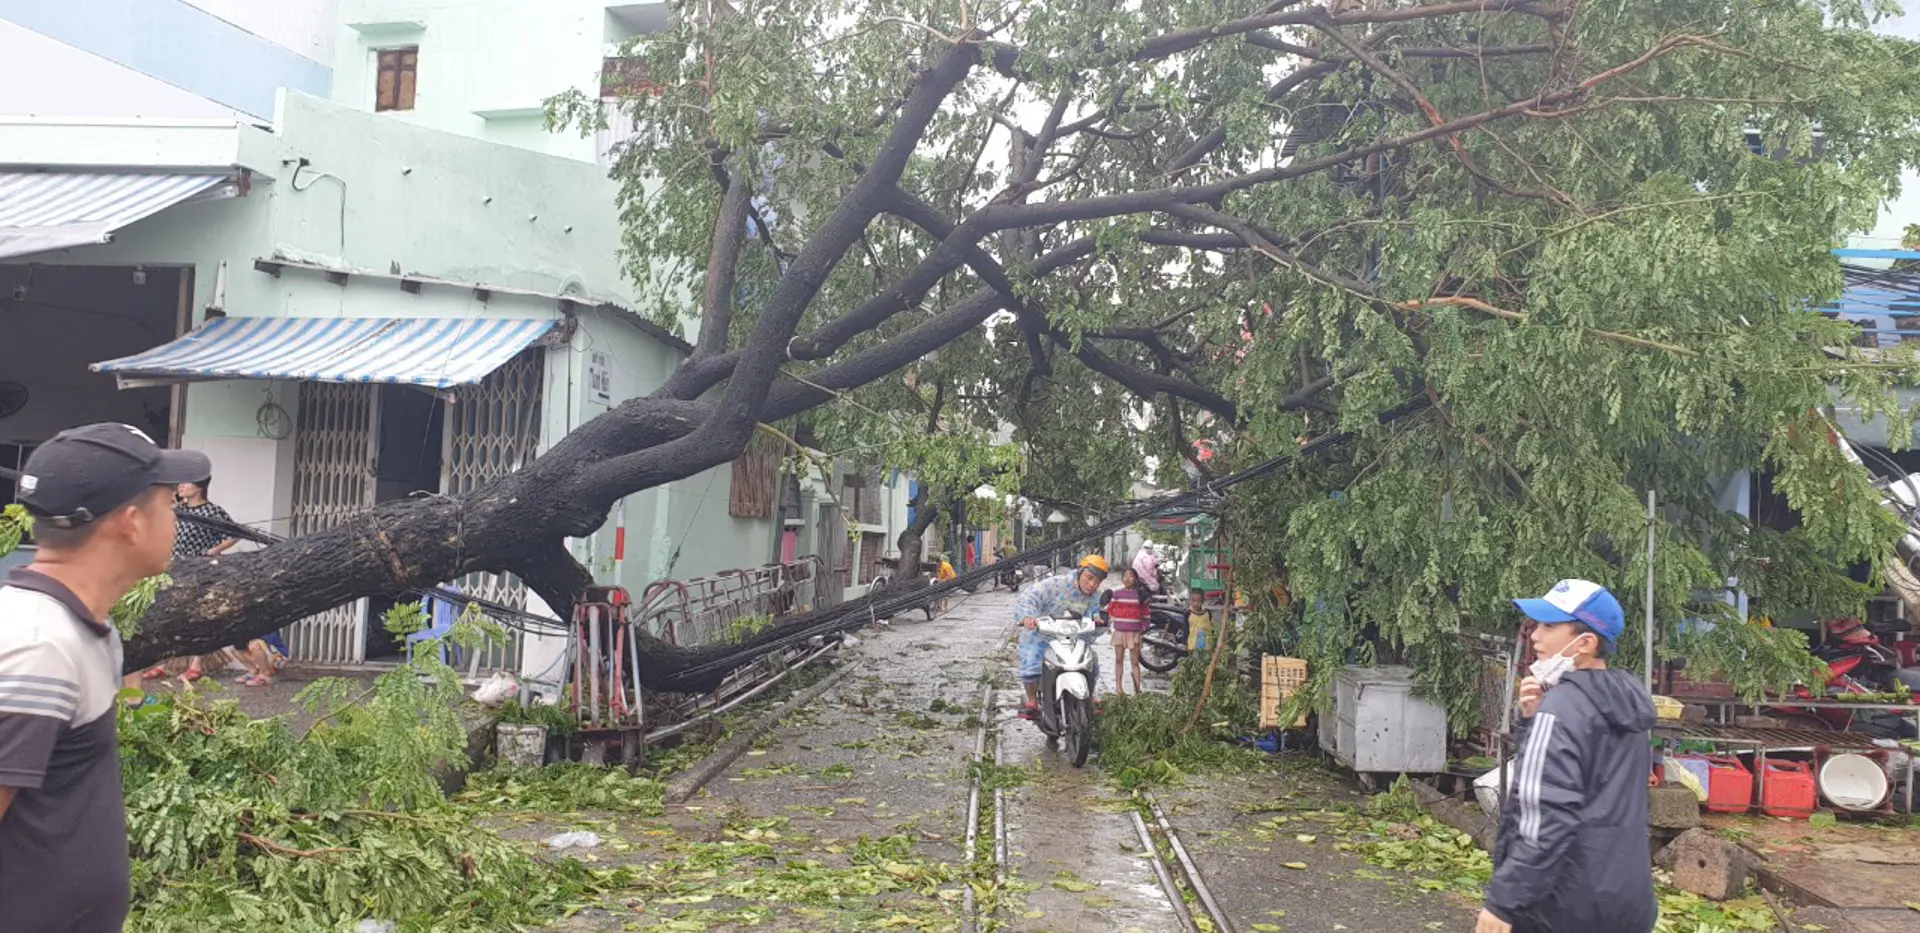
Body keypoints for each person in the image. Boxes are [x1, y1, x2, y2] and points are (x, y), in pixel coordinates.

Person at [1, 423, 209, 933]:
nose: (176, 519)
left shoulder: (79, 626)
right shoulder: (39, 645)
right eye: (169, 505)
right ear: (132, 523)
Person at [1477, 579, 1657, 933]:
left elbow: (1543, 814)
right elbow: (1597, 790)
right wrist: (1531, 723)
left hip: (1562, 905)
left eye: (1549, 625)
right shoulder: (1627, 702)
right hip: (1627, 900)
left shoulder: (1561, 708)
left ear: (1585, 643)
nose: (1534, 635)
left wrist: (1503, 901)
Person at [138, 477, 239, 685]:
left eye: (186, 483)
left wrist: (215, 551)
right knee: (169, 615)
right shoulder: (179, 510)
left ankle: (196, 665)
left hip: (199, 570)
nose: (181, 487)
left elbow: (235, 533)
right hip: (174, 568)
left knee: (197, 615)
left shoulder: (212, 511)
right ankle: (164, 662)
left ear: (199, 487)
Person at [1011, 555, 1108, 717]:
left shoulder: (1096, 597)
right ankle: (1032, 701)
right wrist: (1028, 616)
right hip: (1043, 635)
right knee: (1031, 661)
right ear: (1080, 572)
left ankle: (1088, 697)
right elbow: (1031, 595)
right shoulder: (1057, 584)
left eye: (1097, 582)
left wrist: (1100, 620)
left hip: (1073, 637)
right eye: (1089, 578)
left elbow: (1098, 615)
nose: (1092, 585)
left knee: (1091, 663)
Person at [1102, 567, 1149, 694]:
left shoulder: (1140, 595)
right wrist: (1116, 619)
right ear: (1122, 579)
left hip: (1134, 633)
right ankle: (1118, 687)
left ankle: (1138, 689)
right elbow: (1110, 609)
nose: (1127, 579)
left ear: (1135, 578)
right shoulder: (1117, 594)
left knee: (1135, 661)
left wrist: (1143, 627)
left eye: (1131, 576)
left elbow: (1146, 613)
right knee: (1118, 659)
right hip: (1120, 632)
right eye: (1125, 576)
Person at [1186, 588, 1214, 654]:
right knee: (1195, 662)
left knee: (1206, 661)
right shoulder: (1188, 613)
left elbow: (1212, 627)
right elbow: (1185, 629)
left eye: (1198, 601)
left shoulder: (1207, 613)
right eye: (1193, 600)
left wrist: (1214, 640)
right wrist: (1185, 643)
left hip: (1207, 645)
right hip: (1193, 645)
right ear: (1189, 600)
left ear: (1203, 601)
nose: (1195, 603)